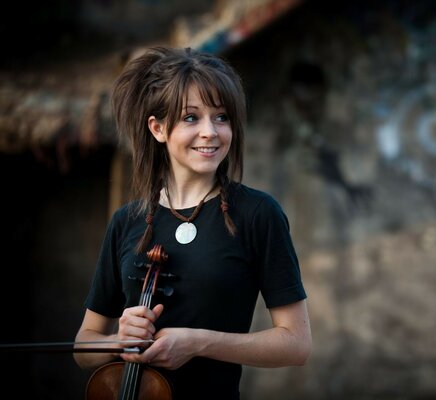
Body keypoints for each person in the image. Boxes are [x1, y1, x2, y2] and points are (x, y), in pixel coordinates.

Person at [73, 46, 311, 399]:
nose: (210, 132)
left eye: (221, 117)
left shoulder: (258, 214)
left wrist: (199, 342)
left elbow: (295, 344)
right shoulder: (127, 221)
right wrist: (117, 340)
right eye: (190, 118)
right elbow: (83, 347)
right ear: (157, 128)